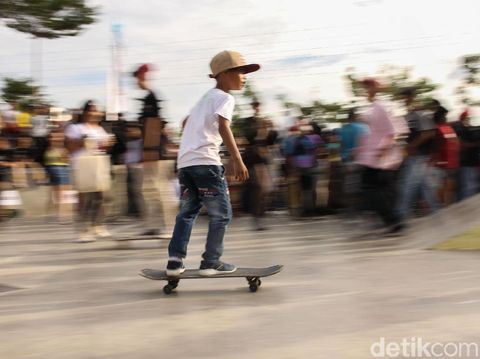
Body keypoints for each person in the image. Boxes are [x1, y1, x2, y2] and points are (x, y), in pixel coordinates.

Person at [166, 50, 259, 276]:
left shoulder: (205, 98)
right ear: (226, 73)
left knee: (187, 213)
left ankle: (175, 262)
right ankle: (211, 262)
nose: (245, 76)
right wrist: (237, 159)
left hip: (186, 164)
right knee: (222, 214)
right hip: (206, 164)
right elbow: (223, 126)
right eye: (241, 71)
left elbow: (185, 121)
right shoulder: (226, 98)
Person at [356, 78, 404, 235]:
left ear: (373, 89)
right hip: (373, 155)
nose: (364, 92)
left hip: (377, 155)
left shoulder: (380, 107)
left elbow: (391, 131)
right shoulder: (375, 107)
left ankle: (393, 220)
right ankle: (393, 219)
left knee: (370, 187)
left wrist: (382, 150)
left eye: (366, 88)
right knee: (381, 188)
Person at [65, 100, 114, 242]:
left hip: (98, 165)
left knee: (102, 197)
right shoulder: (75, 128)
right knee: (84, 198)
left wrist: (108, 143)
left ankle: (98, 225)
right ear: (85, 112)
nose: (95, 113)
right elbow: (69, 147)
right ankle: (82, 230)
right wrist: (83, 141)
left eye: (96, 110)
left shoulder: (100, 129)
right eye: (92, 110)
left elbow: (104, 147)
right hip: (81, 165)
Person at [396, 87, 438, 220]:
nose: (403, 100)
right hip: (413, 157)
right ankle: (438, 213)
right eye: (402, 97)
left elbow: (429, 133)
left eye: (405, 96)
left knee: (408, 185)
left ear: (412, 97)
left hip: (420, 156)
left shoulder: (421, 114)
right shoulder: (408, 116)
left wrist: (412, 145)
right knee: (426, 188)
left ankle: (400, 216)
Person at [432, 106, 459, 206]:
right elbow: (455, 144)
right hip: (452, 163)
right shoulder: (448, 129)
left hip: (444, 164)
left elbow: (436, 147)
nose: (446, 118)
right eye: (445, 117)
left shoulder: (439, 129)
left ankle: (446, 207)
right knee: (449, 188)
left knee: (444, 188)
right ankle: (448, 206)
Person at [452, 109, 480, 200]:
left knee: (466, 187)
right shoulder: (461, 130)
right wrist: (475, 144)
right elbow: (461, 145)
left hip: (467, 163)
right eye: (467, 118)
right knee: (469, 188)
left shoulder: (465, 129)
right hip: (467, 163)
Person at [44, 130, 70, 222]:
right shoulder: (48, 149)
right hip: (52, 171)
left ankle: (62, 214)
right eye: (53, 137)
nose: (55, 139)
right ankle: (54, 214)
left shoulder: (64, 149)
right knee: (53, 194)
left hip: (62, 170)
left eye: (59, 136)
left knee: (62, 194)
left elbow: (67, 161)